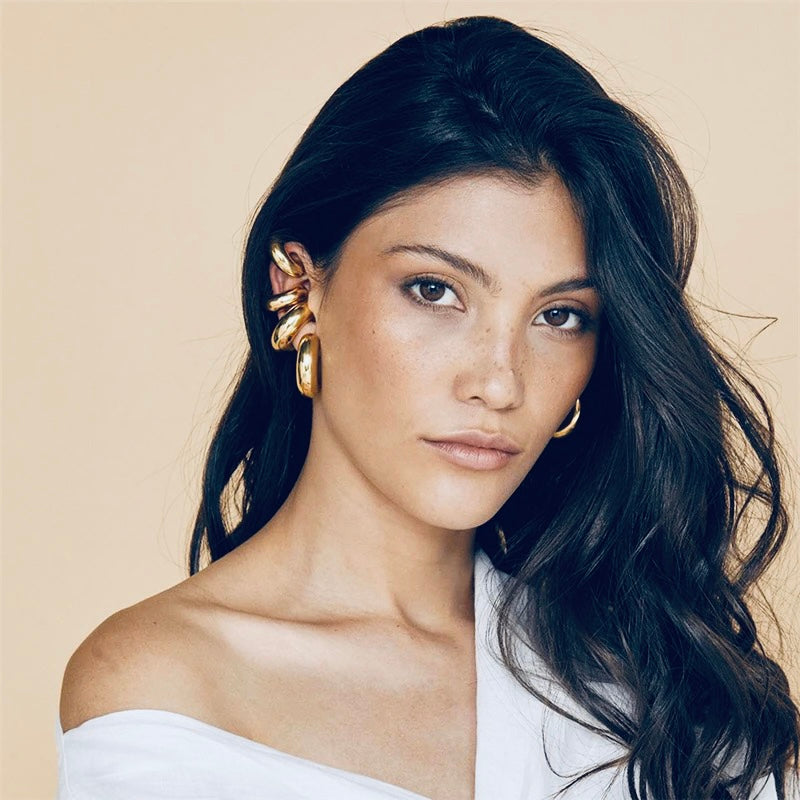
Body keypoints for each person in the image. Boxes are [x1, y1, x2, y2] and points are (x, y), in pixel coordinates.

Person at [55, 14, 799, 800]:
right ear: (300, 286)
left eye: (559, 316)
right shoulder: (166, 687)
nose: (501, 383)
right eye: (435, 291)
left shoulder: (663, 693)